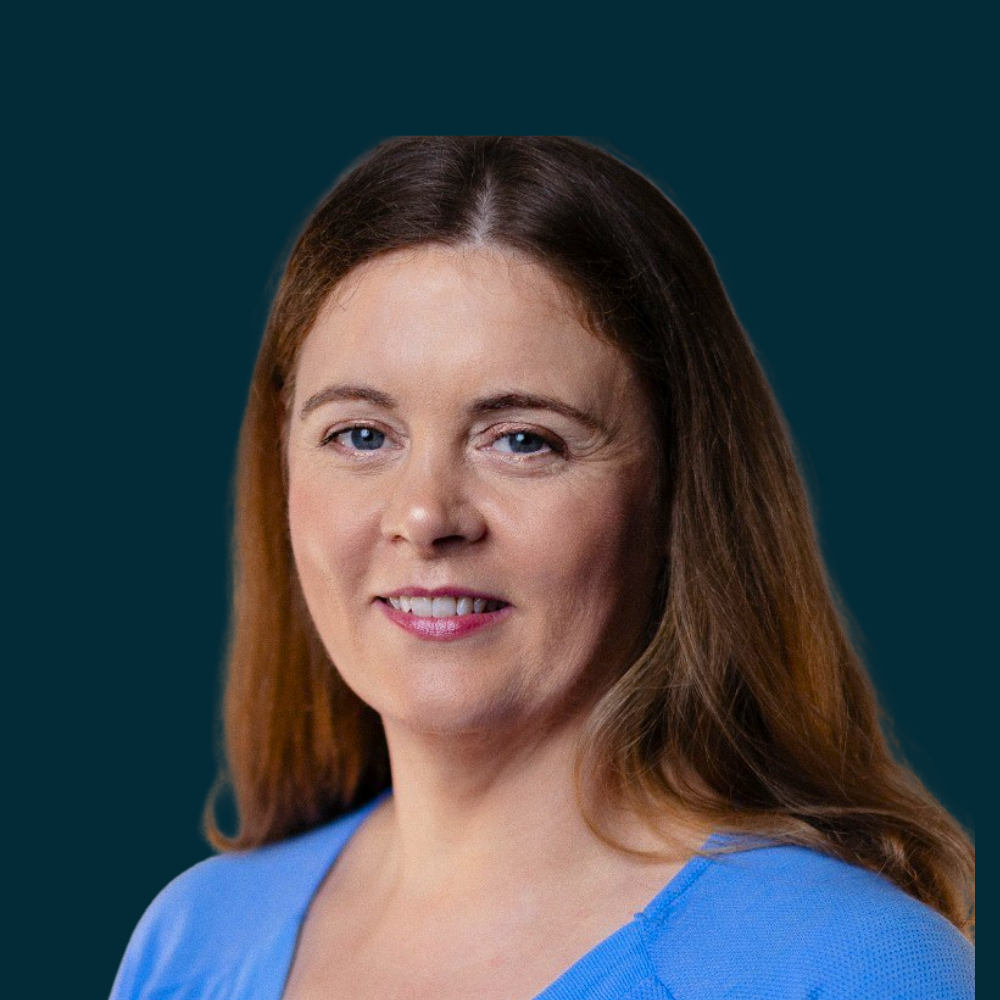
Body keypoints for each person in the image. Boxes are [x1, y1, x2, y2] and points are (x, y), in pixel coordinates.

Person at [109, 136, 974, 999]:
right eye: (361, 435)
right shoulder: (194, 935)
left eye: (524, 440)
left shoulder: (857, 968)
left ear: (679, 493)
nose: (425, 516)